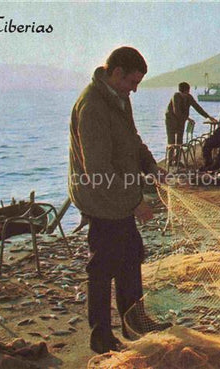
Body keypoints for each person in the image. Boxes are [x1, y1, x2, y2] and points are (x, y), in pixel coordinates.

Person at [68, 46, 171, 354]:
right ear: (115, 73)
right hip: (100, 197)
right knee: (103, 265)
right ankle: (100, 335)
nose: (135, 90)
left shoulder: (119, 97)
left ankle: (134, 323)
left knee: (130, 255)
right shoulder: (93, 106)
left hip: (120, 194)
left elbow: (132, 140)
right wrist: (134, 203)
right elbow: (98, 170)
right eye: (132, 82)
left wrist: (151, 166)